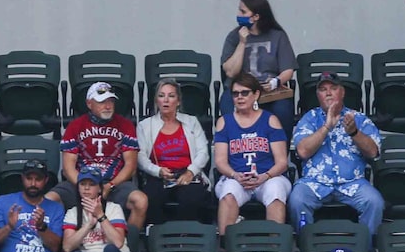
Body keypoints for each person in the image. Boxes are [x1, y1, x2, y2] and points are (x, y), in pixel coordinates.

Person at [288, 75, 383, 236]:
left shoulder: (358, 118)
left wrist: (354, 132)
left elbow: (373, 152)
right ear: (318, 95)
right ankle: (307, 250)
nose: (328, 93)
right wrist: (326, 127)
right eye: (323, 90)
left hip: (352, 183)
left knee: (374, 202)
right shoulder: (309, 119)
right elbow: (302, 151)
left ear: (343, 92)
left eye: (333, 88)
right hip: (314, 183)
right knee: (297, 200)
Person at [212, 74, 292, 231]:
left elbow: (282, 162)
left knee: (276, 192)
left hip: (268, 176)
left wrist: (265, 176)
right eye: (235, 94)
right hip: (237, 178)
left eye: (245, 93)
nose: (240, 97)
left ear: (256, 94)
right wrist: (235, 175)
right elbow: (220, 161)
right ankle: (225, 246)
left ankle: (275, 247)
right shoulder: (224, 122)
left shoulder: (270, 120)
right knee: (228, 193)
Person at [61, 80, 141, 219]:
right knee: (50, 199)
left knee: (140, 201)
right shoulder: (74, 126)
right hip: (81, 183)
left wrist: (110, 185)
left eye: (111, 101)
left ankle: (129, 240)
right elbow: (68, 168)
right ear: (89, 104)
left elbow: (130, 165)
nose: (108, 106)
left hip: (115, 183)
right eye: (102, 102)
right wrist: (86, 187)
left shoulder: (126, 125)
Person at [136, 79, 210, 226]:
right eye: (161, 95)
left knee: (192, 198)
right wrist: (157, 171)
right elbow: (140, 157)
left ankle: (185, 236)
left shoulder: (191, 122)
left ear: (178, 101)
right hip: (159, 173)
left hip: (187, 173)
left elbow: (203, 152)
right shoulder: (145, 125)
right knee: (152, 197)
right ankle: (159, 237)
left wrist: (190, 172)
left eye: (171, 96)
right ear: (156, 100)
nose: (166, 100)